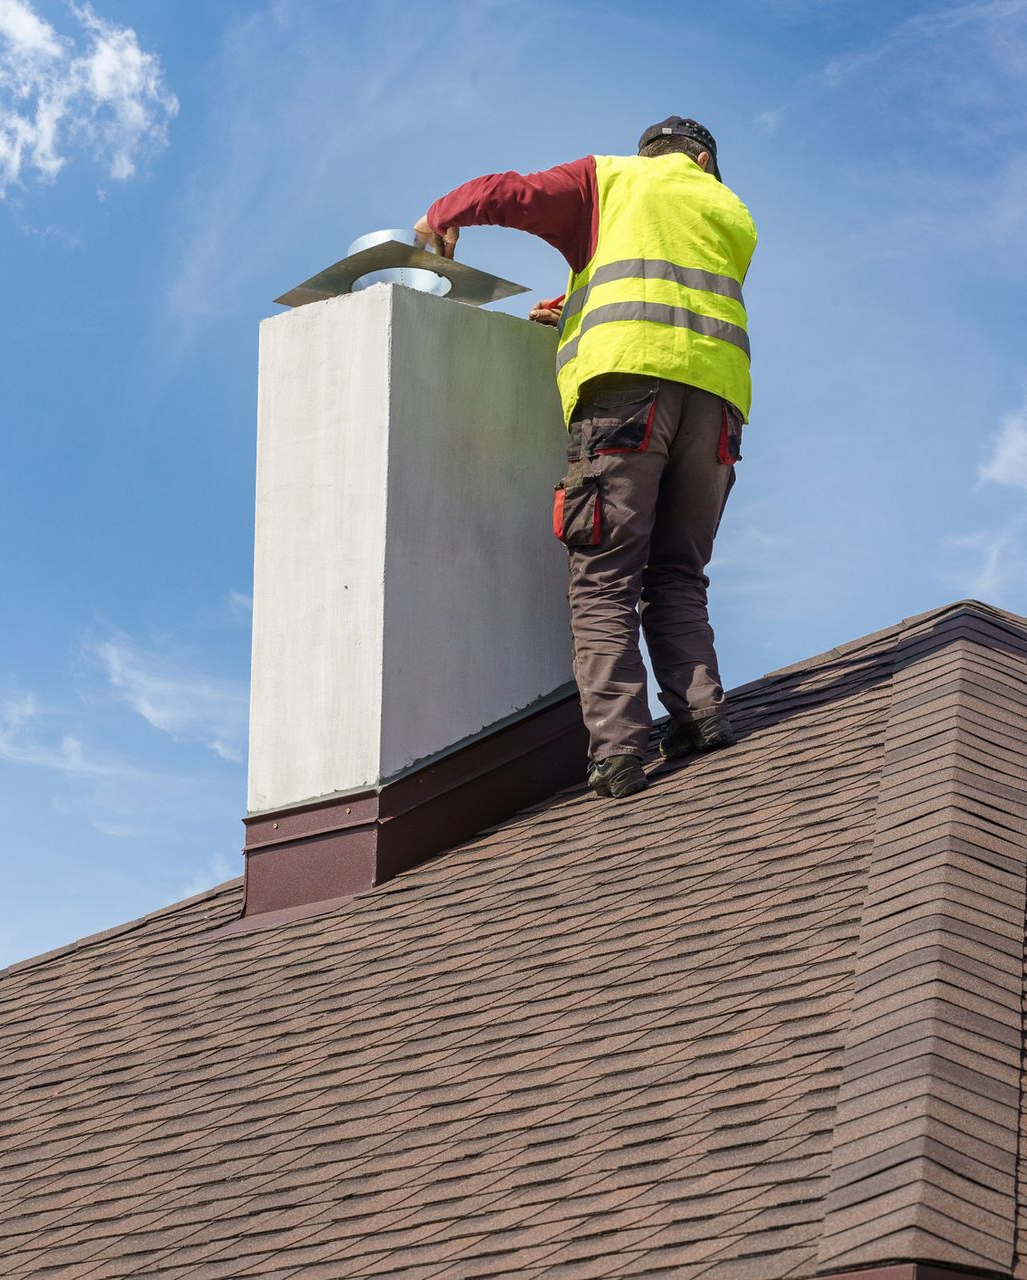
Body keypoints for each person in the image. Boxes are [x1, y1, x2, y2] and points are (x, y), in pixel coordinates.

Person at [415, 117, 757, 800]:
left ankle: (620, 751)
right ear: (701, 159)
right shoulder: (729, 210)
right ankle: (702, 715)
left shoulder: (610, 177)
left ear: (651, 153)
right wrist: (573, 305)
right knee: (679, 572)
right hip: (716, 408)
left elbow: (507, 193)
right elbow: (669, 294)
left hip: (625, 399)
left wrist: (438, 214)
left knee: (603, 578)